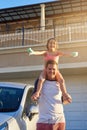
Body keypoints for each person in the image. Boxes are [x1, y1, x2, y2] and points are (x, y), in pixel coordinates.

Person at [27, 38, 78, 104]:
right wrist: (33, 52)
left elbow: (64, 53)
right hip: (46, 70)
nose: (52, 44)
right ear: (47, 45)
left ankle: (64, 94)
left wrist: (71, 54)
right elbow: (39, 52)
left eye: (53, 43)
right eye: (50, 43)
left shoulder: (57, 53)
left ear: (56, 45)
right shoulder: (46, 53)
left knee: (61, 80)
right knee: (41, 79)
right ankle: (37, 92)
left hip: (55, 71)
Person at [36, 60, 67, 130]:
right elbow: (34, 98)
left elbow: (64, 101)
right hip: (44, 122)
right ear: (46, 69)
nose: (52, 71)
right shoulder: (40, 82)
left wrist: (67, 98)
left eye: (54, 69)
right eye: (49, 69)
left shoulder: (60, 83)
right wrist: (35, 96)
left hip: (59, 121)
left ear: (57, 70)